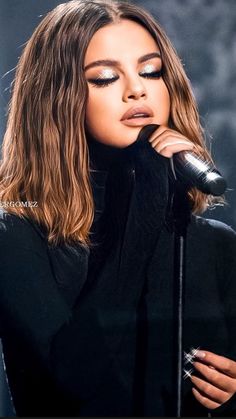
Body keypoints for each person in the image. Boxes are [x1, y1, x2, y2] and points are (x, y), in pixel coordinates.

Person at [0, 0, 236, 416]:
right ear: (57, 98)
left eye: (151, 71)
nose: (137, 89)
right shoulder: (18, 236)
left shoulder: (214, 245)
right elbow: (74, 385)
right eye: (106, 78)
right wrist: (147, 197)